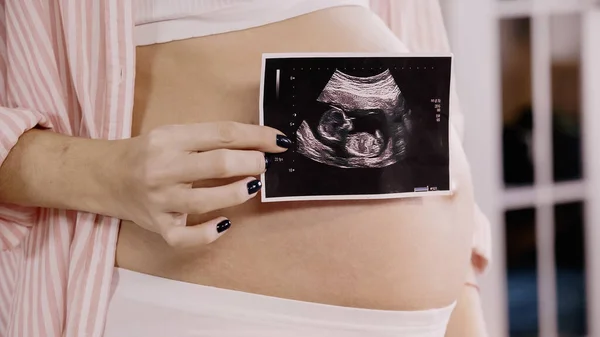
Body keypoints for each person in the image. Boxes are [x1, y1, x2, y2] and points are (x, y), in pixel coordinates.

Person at [0, 0, 491, 336]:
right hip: (184, 302)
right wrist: (93, 171)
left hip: (429, 317)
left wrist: (463, 306)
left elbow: (420, 59)